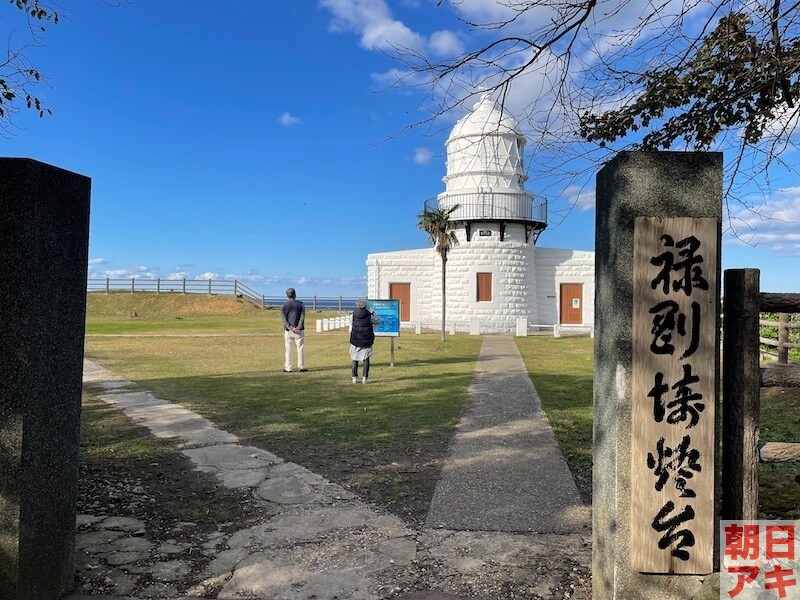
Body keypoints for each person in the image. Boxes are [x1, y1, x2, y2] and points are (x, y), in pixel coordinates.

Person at [349, 298, 380, 384]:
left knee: (354, 358)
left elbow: (351, 322)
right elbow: (377, 321)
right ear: (366, 305)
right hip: (366, 340)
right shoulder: (369, 315)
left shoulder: (354, 314)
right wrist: (373, 313)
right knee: (366, 358)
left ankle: (354, 377)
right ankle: (365, 378)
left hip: (355, 339)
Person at [281, 288, 307, 373]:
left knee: (288, 349)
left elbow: (284, 319)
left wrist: (290, 328)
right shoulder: (301, 304)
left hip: (288, 331)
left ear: (287, 295)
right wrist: (298, 327)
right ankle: (301, 366)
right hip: (299, 331)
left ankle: (288, 368)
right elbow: (302, 317)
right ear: (295, 294)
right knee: (300, 349)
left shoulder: (284, 305)